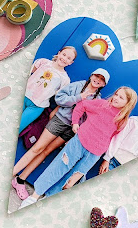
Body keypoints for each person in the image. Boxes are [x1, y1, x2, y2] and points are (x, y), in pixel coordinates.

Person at [20, 87, 137, 207]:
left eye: (121, 97)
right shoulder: (102, 104)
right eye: (116, 94)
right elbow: (82, 105)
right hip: (79, 142)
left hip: (95, 154)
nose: (116, 98)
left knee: (71, 180)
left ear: (128, 103)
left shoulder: (123, 121)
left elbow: (112, 135)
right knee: (58, 168)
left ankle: (47, 201)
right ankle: (34, 197)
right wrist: (75, 122)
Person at [11, 69, 109, 200]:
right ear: (91, 75)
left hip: (71, 130)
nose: (98, 80)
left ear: (103, 84)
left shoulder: (98, 99)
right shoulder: (78, 85)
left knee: (46, 152)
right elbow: (59, 98)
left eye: (102, 79)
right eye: (97, 76)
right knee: (37, 148)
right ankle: (11, 174)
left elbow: (89, 119)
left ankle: (20, 180)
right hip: (60, 120)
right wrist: (79, 97)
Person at [18, 46, 77, 133]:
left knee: (17, 127)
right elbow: (28, 73)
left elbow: (60, 96)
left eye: (68, 58)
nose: (64, 59)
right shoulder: (43, 62)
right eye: (64, 54)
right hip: (22, 96)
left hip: (37, 106)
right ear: (59, 53)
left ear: (71, 62)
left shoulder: (65, 79)